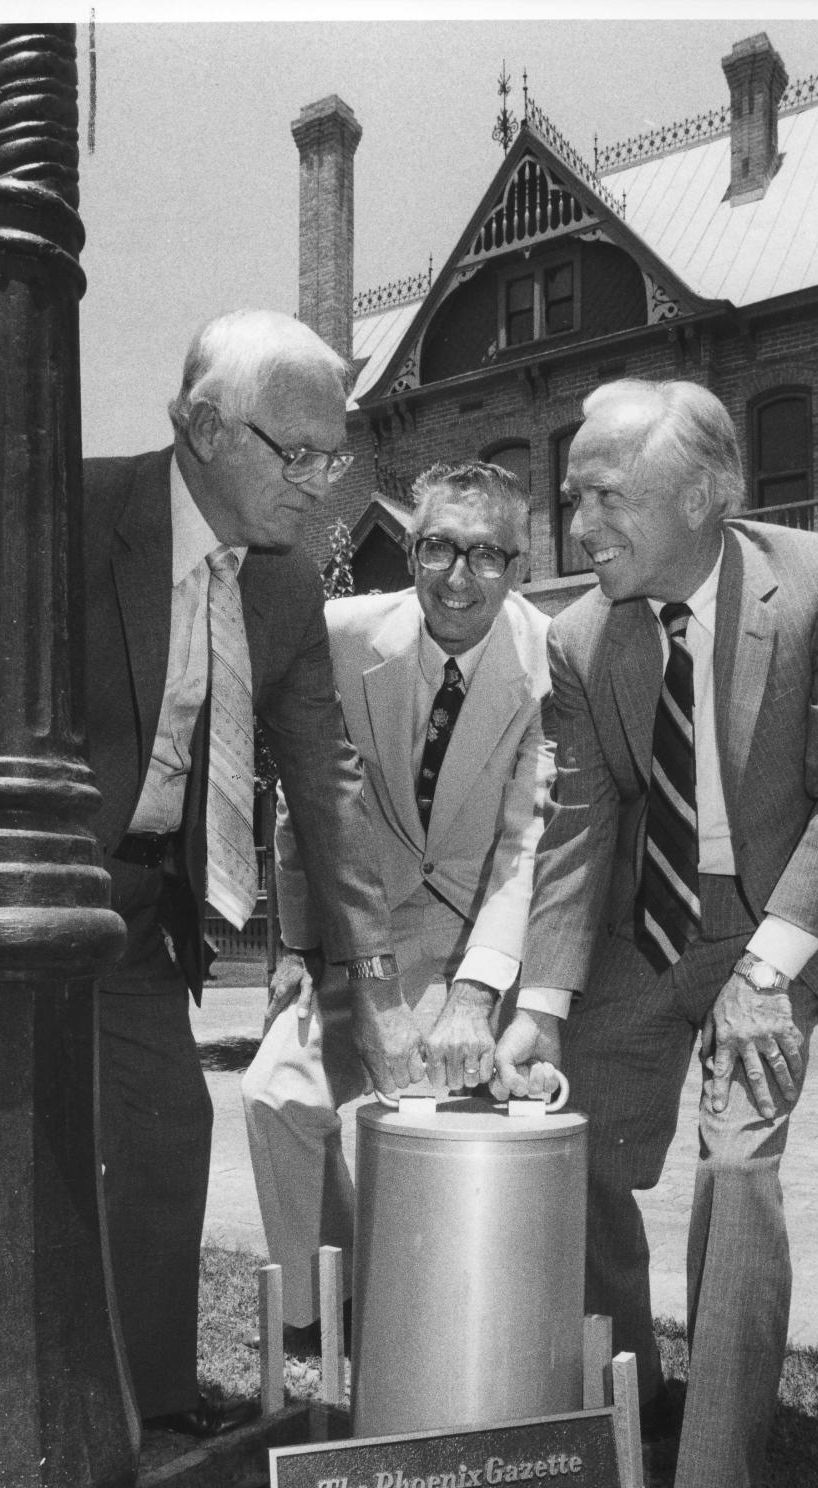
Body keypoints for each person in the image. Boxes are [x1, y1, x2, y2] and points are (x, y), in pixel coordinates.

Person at [0, 309, 427, 1434]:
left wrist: (378, 992)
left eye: (339, 457)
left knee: (168, 1130)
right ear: (203, 427)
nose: (326, 487)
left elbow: (325, 782)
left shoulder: (280, 585)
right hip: (20, 886)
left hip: (142, 910)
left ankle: (157, 1420)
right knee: (9, 1163)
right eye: (302, 454)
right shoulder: (73, 515)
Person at [493, 378, 818, 1488]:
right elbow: (578, 830)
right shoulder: (580, 639)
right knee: (556, 1128)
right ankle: (640, 1394)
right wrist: (543, 1003)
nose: (577, 526)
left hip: (783, 920)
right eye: (573, 495)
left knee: (737, 1177)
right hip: (649, 929)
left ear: (707, 494)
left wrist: (768, 967)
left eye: (603, 496)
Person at [242, 461, 553, 1338]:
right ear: (411, 550)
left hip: (472, 935)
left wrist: (476, 991)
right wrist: (300, 950)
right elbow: (304, 802)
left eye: (487, 554)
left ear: (519, 566)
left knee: (423, 1107)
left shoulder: (550, 662)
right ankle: (320, 1315)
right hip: (363, 933)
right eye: (440, 548)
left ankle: (433, 1322)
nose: (459, 578)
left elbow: (527, 845)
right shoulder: (339, 634)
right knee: (276, 1095)